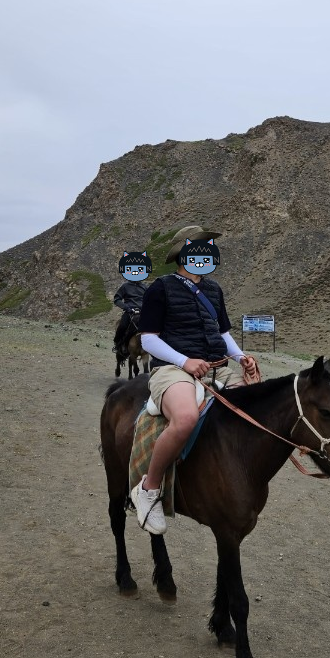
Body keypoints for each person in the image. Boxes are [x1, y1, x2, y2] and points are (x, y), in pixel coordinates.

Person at [131, 224, 257, 534]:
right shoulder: (160, 288)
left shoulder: (214, 290)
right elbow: (148, 339)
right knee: (186, 418)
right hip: (172, 370)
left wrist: (241, 358)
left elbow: (222, 333)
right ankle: (149, 489)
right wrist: (184, 361)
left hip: (217, 366)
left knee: (255, 409)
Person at [112, 251, 150, 352]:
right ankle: (118, 344)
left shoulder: (145, 287)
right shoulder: (125, 286)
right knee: (122, 326)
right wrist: (127, 308)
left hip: (143, 313)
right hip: (130, 312)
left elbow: (150, 300)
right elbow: (117, 299)